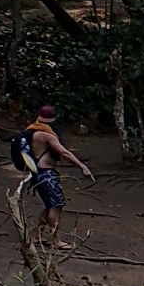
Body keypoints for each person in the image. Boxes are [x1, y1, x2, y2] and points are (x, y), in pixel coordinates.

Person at [24, 105, 92, 251]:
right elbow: (65, 153)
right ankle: (55, 240)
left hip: (37, 173)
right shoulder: (46, 134)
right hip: (46, 174)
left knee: (50, 205)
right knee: (56, 205)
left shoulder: (31, 130)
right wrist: (82, 167)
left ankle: (35, 235)